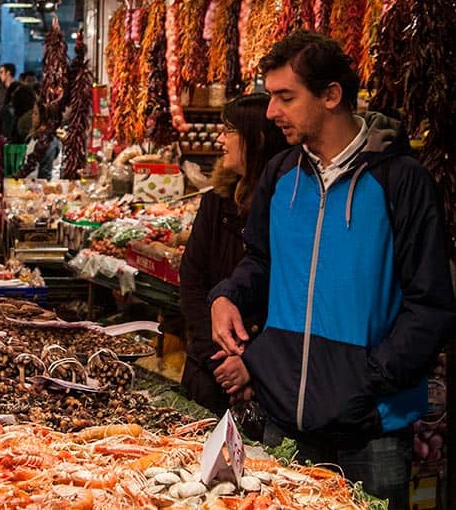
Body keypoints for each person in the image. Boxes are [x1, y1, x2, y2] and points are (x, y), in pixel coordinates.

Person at [209, 30, 455, 508]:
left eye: (285, 97)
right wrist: (227, 295)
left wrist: (367, 381)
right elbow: (260, 261)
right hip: (285, 423)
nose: (270, 112)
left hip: (371, 432)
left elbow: (432, 306)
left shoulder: (401, 182)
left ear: (330, 96)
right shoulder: (281, 175)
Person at [179, 93, 287, 417]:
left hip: (268, 384)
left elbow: (284, 296)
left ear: (258, 139)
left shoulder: (285, 205)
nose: (220, 139)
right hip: (208, 372)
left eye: (229, 130)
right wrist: (219, 358)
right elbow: (192, 280)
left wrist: (251, 364)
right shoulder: (217, 201)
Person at [14, 101, 62, 180]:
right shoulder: (36, 137)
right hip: (31, 186)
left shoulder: (49, 141)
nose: (32, 116)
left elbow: (45, 173)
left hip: (43, 188)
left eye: (36, 113)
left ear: (43, 118)